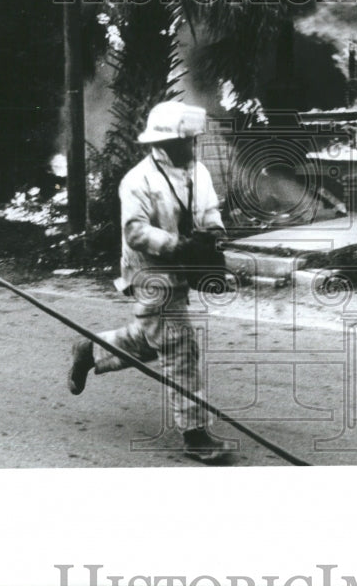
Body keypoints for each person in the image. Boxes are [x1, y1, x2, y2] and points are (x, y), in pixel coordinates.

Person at [66, 100, 234, 464]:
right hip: (149, 272)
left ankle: (91, 350)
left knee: (151, 338)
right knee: (180, 347)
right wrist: (179, 245)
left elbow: (209, 212)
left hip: (183, 269)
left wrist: (213, 238)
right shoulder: (138, 181)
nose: (192, 145)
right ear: (166, 142)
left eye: (194, 139)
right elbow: (135, 232)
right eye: (186, 140)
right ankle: (195, 434)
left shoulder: (197, 172)